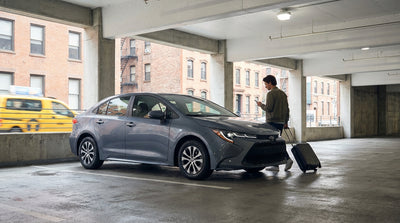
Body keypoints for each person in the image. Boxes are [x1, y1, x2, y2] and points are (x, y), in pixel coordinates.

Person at [256, 75, 293, 171]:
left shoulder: (271, 94)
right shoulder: (283, 94)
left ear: (270, 83)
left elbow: (269, 108)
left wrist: (260, 105)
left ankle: (287, 159)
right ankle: (275, 164)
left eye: (265, 84)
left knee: (273, 143)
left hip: (272, 122)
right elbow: (287, 110)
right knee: (276, 143)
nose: (265, 86)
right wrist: (285, 122)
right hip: (281, 122)